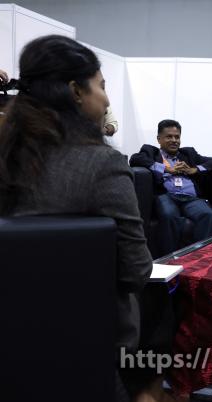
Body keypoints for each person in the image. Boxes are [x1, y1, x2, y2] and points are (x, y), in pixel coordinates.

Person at [0, 35, 171, 402]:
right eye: (101, 86)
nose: (107, 100)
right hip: (90, 345)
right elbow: (136, 271)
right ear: (76, 91)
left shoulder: (6, 157)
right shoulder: (102, 164)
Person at [129, 119, 212, 256]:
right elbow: (135, 159)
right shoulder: (151, 152)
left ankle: (199, 257)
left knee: (208, 215)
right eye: (169, 137)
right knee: (169, 215)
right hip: (166, 195)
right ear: (159, 139)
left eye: (177, 137)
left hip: (190, 198)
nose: (174, 140)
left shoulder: (188, 153)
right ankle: (170, 258)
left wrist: (194, 170)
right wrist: (166, 169)